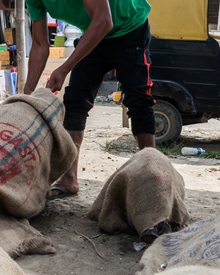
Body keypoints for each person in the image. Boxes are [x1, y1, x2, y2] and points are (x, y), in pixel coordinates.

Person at [24, 0, 156, 198]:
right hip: (93, 32)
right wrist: (26, 94)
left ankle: (151, 177)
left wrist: (65, 67)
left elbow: (104, 21)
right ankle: (69, 178)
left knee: (138, 100)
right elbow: (41, 44)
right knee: (75, 101)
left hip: (129, 28)